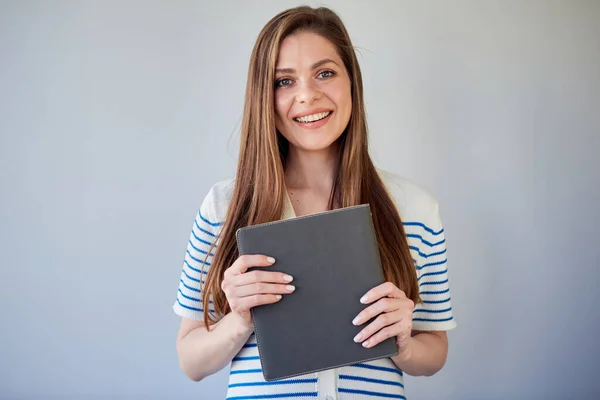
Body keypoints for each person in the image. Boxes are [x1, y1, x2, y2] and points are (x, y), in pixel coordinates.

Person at [173, 5, 456, 399]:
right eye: (284, 81)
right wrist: (238, 320)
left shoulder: (414, 209)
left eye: (325, 73)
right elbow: (191, 361)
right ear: (264, 98)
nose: (307, 95)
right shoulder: (224, 207)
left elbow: (435, 351)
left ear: (352, 82)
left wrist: (404, 340)